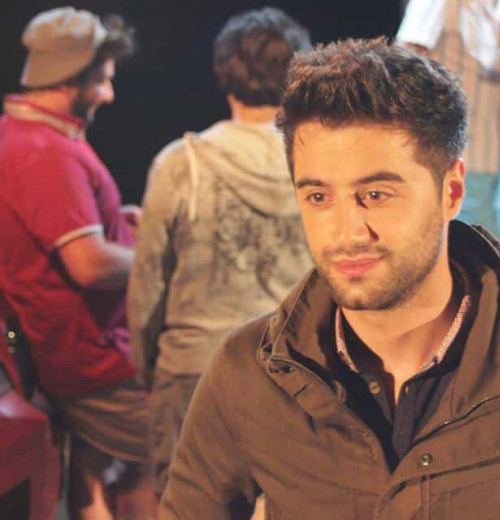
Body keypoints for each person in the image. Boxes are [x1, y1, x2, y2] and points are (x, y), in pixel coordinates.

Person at [159, 38, 500, 519]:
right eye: (318, 196)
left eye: (376, 194)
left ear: (451, 192)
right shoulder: (246, 374)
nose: (346, 232)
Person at [127, 8, 312, 501]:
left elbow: (147, 282)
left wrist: (146, 368)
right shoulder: (315, 163)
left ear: (223, 72)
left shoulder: (182, 162)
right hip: (291, 374)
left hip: (194, 370)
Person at [0, 7, 154, 518]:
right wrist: (159, 256)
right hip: (92, 363)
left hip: (83, 351)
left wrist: (113, 221)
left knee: (95, 467)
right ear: (70, 78)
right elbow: (89, 265)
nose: (108, 94)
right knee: (176, 452)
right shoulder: (46, 151)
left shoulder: (25, 134)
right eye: (101, 80)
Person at [396, 0, 500, 242]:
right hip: (455, 153)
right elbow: (404, 61)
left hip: (497, 148)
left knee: (491, 247)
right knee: (480, 253)